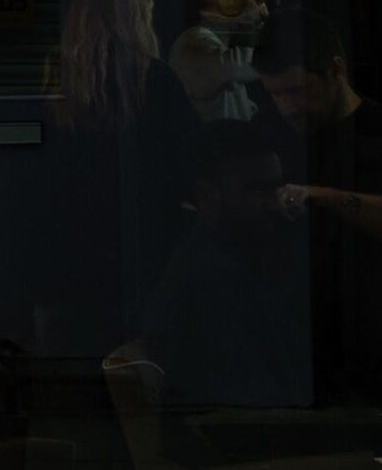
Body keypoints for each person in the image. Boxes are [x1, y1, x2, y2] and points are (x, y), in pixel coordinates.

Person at [53, 0, 203, 348]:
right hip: (149, 232)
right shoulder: (154, 79)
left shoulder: (58, 86)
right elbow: (191, 158)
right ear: (132, 22)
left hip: (72, 238)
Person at [255, 23, 382, 403]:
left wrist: (321, 196)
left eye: (298, 90)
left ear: (336, 69)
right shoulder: (266, 129)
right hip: (289, 332)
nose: (287, 106)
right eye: (274, 93)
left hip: (365, 333)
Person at [132, 121, 311, 413]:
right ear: (205, 196)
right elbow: (249, 409)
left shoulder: (216, 263)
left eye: (276, 189)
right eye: (256, 192)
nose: (275, 204)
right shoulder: (213, 283)